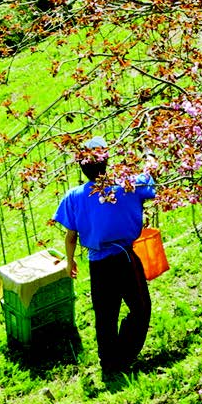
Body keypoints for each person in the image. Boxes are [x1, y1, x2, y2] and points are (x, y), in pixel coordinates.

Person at [54, 136, 156, 375]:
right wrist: (149, 153)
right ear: (106, 161)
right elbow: (150, 177)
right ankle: (124, 355)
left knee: (105, 314)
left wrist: (69, 261)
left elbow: (71, 236)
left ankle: (109, 362)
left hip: (97, 262)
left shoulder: (74, 196)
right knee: (140, 308)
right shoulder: (126, 185)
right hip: (124, 258)